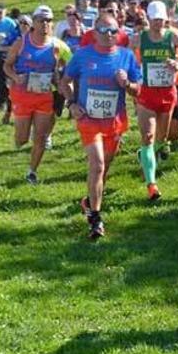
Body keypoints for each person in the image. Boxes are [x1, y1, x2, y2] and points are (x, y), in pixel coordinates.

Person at [60, 13, 142, 239]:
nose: (109, 35)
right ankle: (95, 219)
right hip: (88, 120)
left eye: (113, 31)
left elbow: (138, 89)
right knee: (96, 165)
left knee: (104, 167)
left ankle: (89, 200)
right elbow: (64, 82)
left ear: (119, 33)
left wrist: (126, 83)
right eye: (104, 31)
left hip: (114, 121)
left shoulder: (126, 57)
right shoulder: (83, 55)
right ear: (94, 34)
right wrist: (72, 103)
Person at [132, 1, 178, 200]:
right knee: (148, 137)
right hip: (146, 95)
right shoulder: (139, 38)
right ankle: (151, 185)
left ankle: (146, 154)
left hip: (167, 94)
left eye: (161, 20)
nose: (158, 24)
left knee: (161, 140)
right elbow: (125, 57)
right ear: (148, 19)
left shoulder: (173, 36)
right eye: (154, 20)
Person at [3, 6, 63, 185]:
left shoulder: (56, 46)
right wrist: (15, 77)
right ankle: (22, 132)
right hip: (22, 95)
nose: (45, 24)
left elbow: (57, 73)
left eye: (48, 21)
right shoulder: (21, 43)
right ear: (34, 23)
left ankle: (32, 172)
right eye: (41, 20)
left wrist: (58, 79)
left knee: (41, 137)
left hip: (44, 96)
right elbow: (7, 66)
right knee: (21, 139)